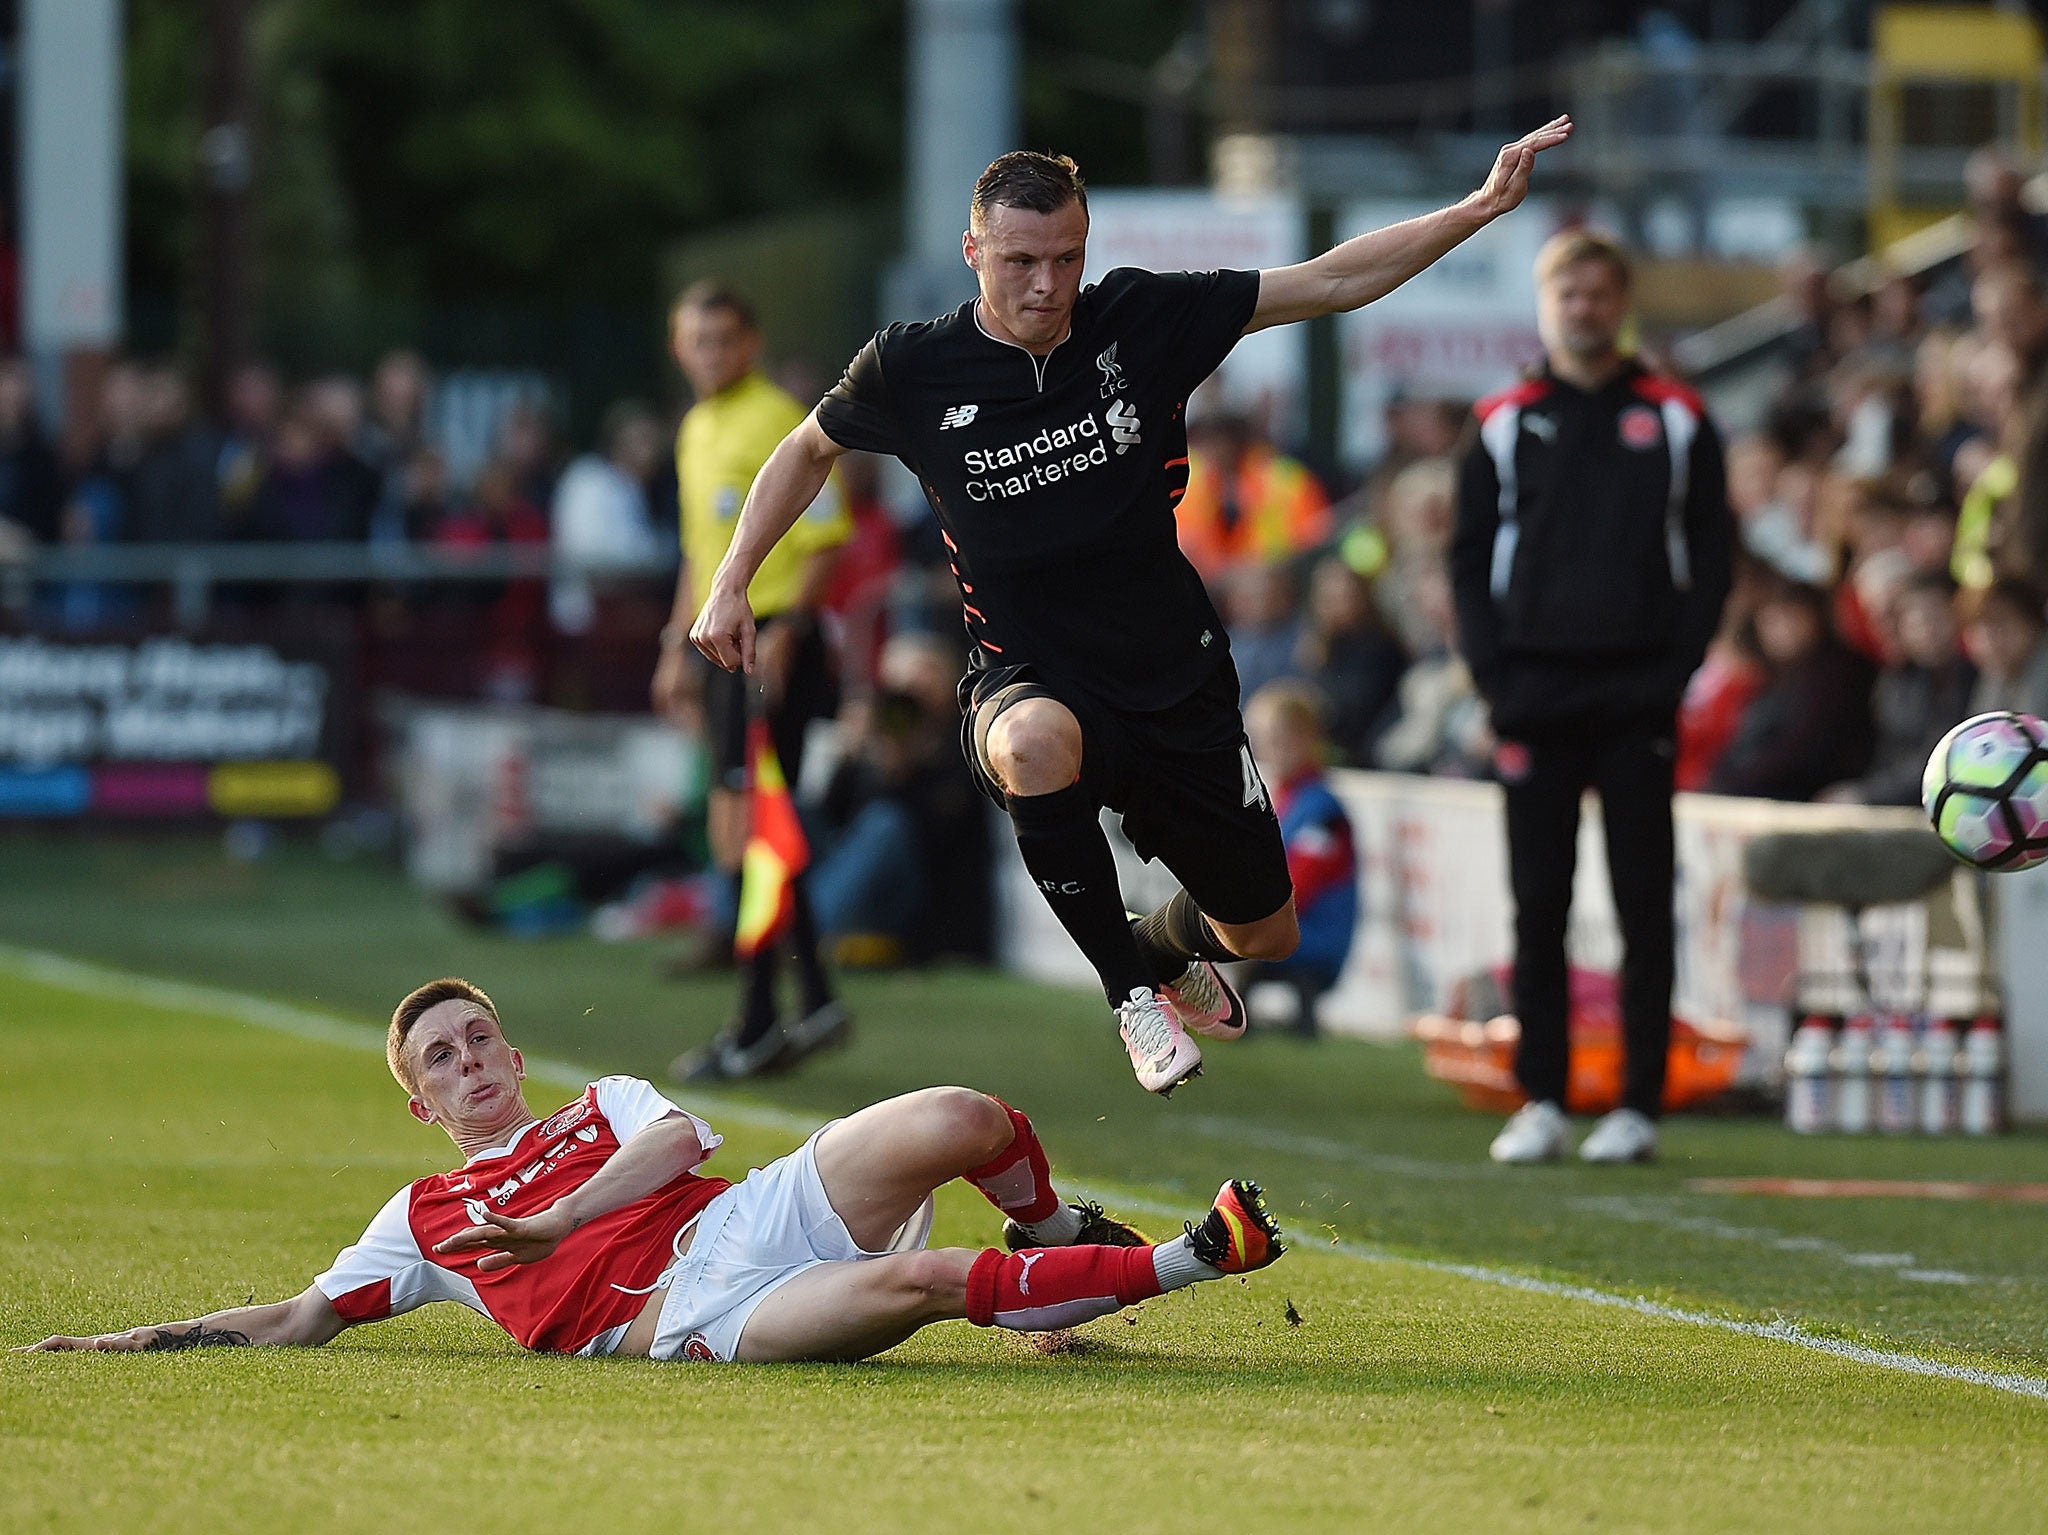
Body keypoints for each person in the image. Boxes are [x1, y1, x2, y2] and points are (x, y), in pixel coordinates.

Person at [690, 120, 1575, 1094]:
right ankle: (1129, 995)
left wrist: (1473, 210)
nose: (1045, 284)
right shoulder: (911, 365)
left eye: (1065, 258)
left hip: (1171, 672)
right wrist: (730, 580)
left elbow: (1322, 281)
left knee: (1261, 928)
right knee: (1031, 744)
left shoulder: (1138, 318)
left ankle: (1158, 948)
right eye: (1020, 261)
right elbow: (807, 447)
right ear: (972, 252)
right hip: (1024, 674)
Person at [18, 978, 1282, 1362]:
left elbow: (678, 1143)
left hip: (753, 1208)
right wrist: (133, 1339)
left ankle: (1051, 1228)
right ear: (421, 1102)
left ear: (509, 1048)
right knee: (928, 1280)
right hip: (698, 1313)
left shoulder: (603, 1104)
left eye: (476, 1040)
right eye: (440, 1061)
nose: (468, 1064)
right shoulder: (423, 1217)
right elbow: (301, 1315)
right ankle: (1190, 1256)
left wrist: (557, 1212)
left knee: (960, 1112)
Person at [1451, 228, 1734, 1167]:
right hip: (1533, 690)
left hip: (1637, 692)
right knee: (1540, 902)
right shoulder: (1500, 417)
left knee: (1644, 899)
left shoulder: (1679, 415)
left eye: (1601, 294)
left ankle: (1639, 1106)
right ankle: (1542, 1097)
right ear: (1545, 303)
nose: (1585, 308)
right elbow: (1464, 559)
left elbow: (1712, 557)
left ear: (1623, 305)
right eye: (1569, 293)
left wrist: (1673, 670)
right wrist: (1497, 679)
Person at [651, 282, 853, 1083]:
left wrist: (793, 631)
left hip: (770, 647)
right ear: (679, 347)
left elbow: (829, 537)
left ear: (752, 341)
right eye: (697, 340)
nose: (712, 353)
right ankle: (812, 999)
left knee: (754, 829)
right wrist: (675, 644)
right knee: (752, 830)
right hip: (721, 646)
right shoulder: (697, 427)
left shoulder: (777, 417)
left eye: (725, 338)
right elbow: (701, 553)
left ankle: (762, 1019)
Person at [1242, 681, 1358, 1036]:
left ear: (1308, 738)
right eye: (1263, 738)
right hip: (1290, 927)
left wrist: (1244, 917)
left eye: (1280, 738)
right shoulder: (1288, 799)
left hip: (1314, 937)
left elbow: (1298, 886)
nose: (1271, 749)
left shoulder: (1321, 809)